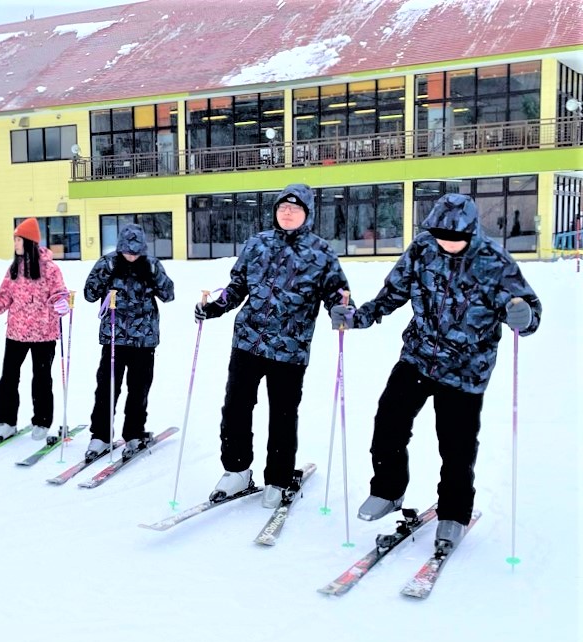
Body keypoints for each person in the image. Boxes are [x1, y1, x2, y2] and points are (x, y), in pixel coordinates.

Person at [331, 193, 541, 551]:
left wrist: (524, 317)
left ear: (472, 232)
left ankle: (453, 515)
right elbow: (391, 295)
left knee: (457, 447)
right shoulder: (421, 250)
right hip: (418, 356)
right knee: (388, 424)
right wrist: (357, 317)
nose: (447, 243)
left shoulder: (494, 261)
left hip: (466, 370)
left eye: (455, 237)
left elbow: (527, 310)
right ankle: (387, 490)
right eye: (441, 235)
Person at [195, 184, 351, 507]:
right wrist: (215, 307)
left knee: (282, 415)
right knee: (236, 407)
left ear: (307, 214)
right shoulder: (257, 244)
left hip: (290, 350)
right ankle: (237, 469)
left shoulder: (321, 253)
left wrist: (341, 311)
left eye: (295, 208)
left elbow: (337, 293)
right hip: (248, 342)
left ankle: (278, 479)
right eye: (282, 207)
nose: (287, 212)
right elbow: (237, 287)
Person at [0, 217, 68, 441]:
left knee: (41, 379)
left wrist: (62, 303)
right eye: (14, 239)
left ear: (29, 241)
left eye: (18, 239)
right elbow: (3, 300)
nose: (14, 244)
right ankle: (6, 422)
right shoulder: (13, 269)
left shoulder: (51, 269)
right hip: (16, 334)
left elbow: (59, 295)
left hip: (44, 335)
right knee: (8, 379)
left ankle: (42, 421)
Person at [82, 224, 175, 461]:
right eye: (127, 252)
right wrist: (105, 273)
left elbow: (169, 295)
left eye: (136, 253)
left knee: (139, 389)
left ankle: (134, 432)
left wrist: (155, 275)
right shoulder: (107, 263)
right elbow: (90, 294)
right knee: (106, 388)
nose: (132, 257)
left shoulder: (152, 265)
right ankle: (100, 436)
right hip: (114, 339)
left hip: (144, 341)